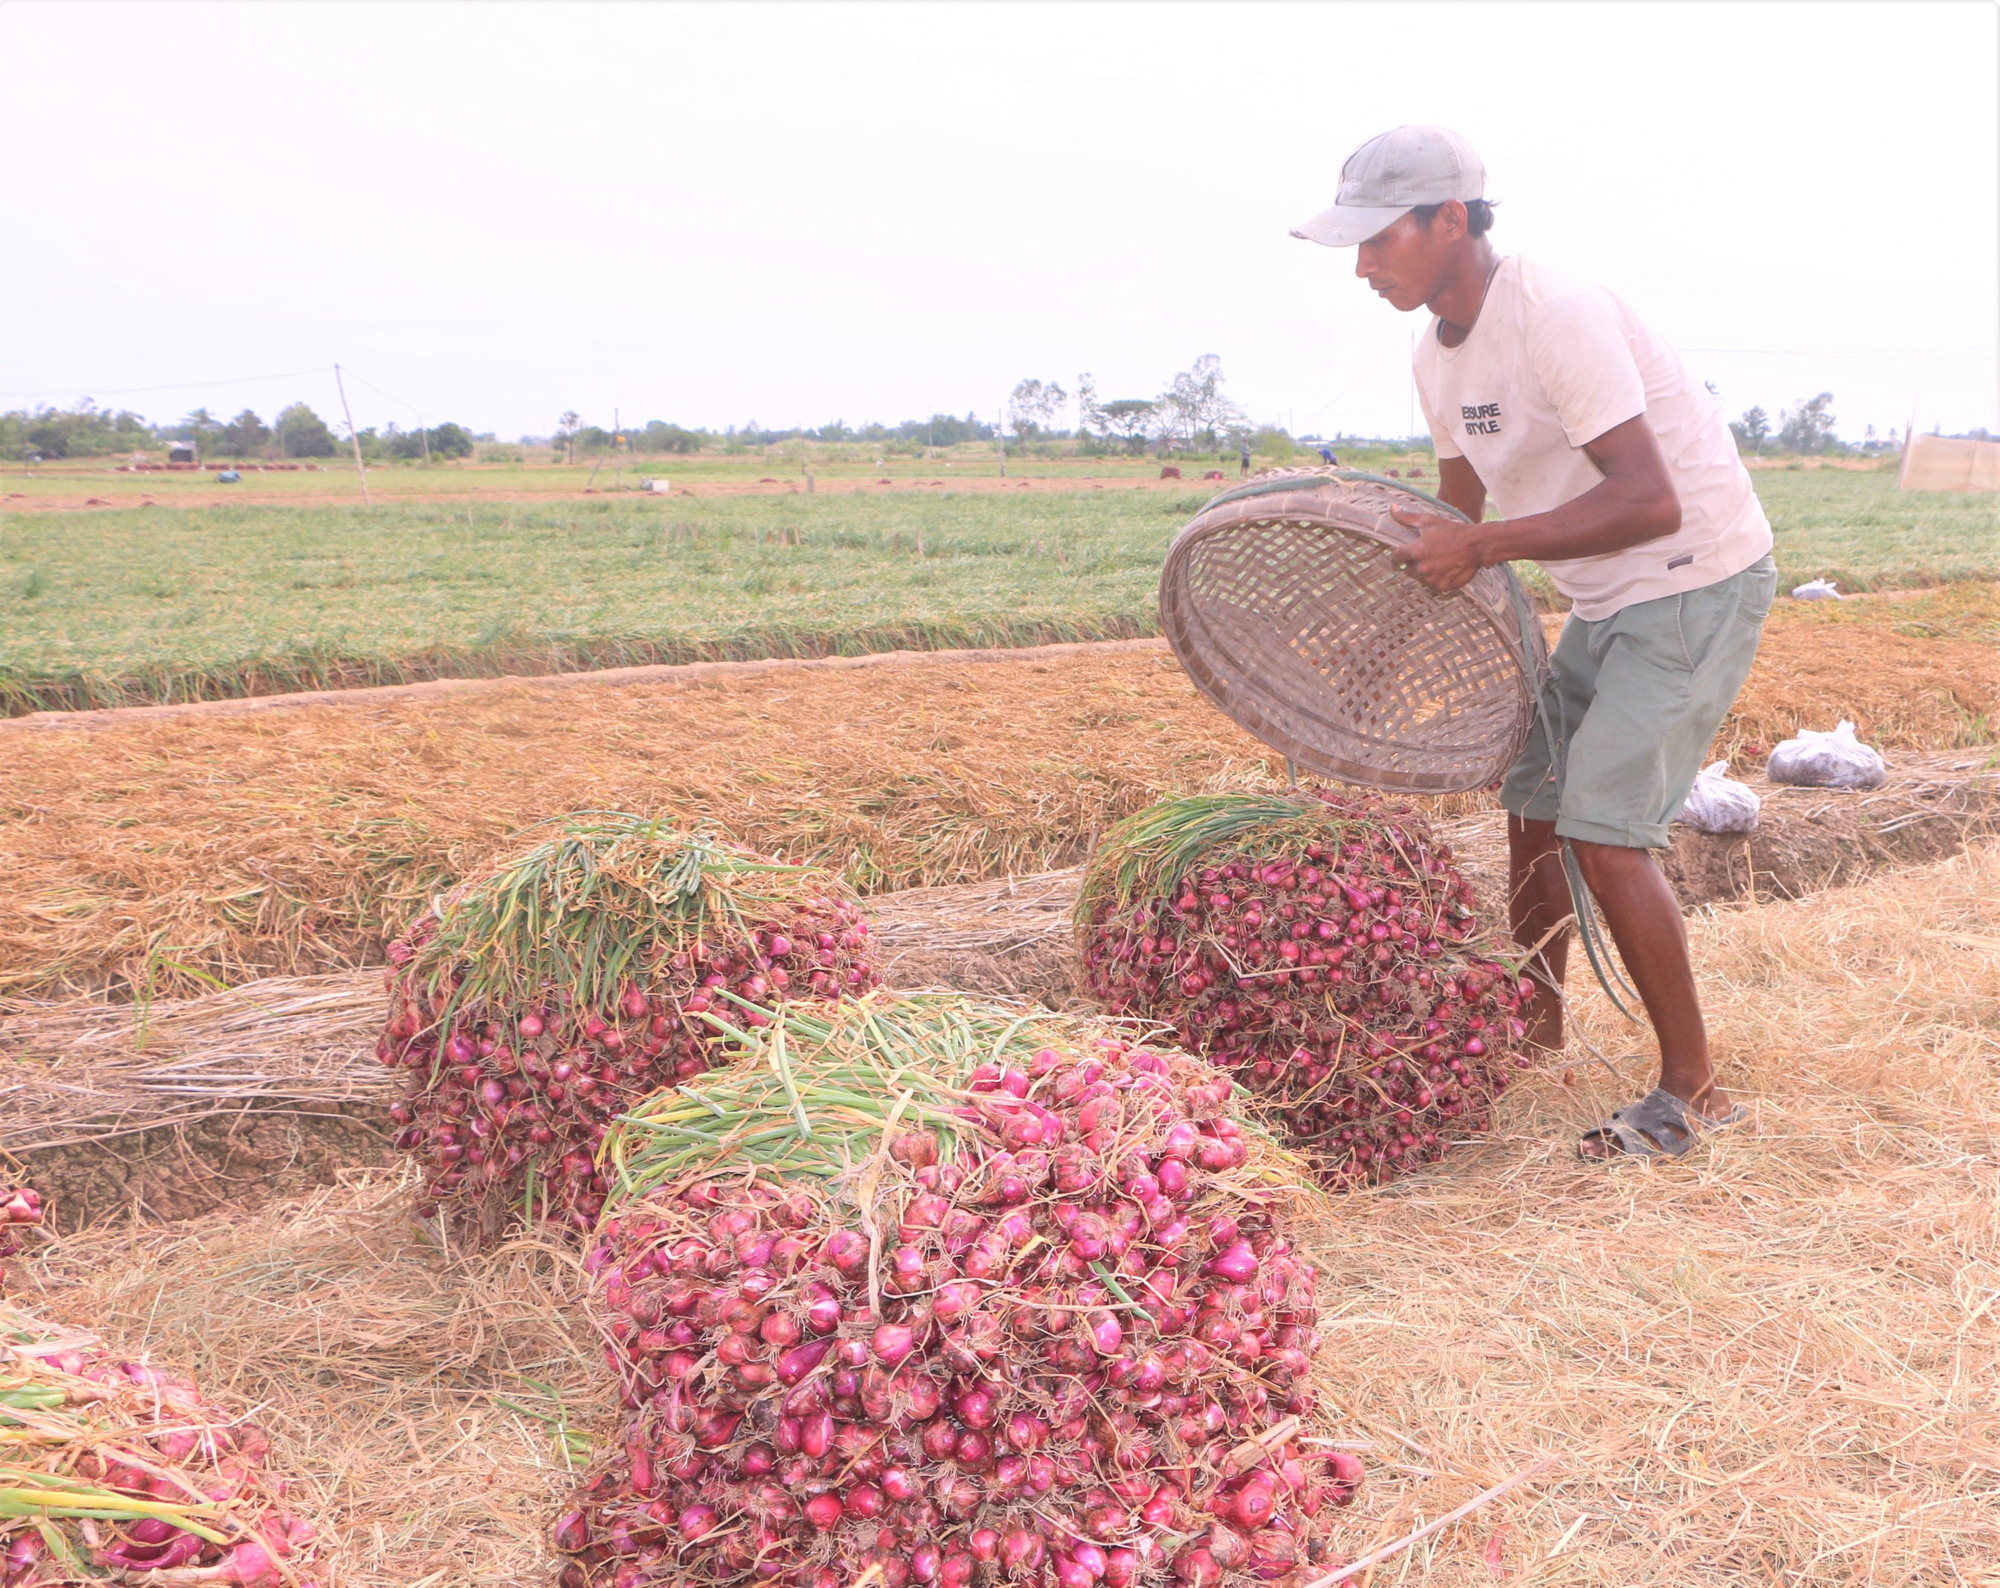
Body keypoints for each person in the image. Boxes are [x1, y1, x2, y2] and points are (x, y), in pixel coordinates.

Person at [1292, 125, 1776, 1162]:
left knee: (1602, 828)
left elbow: (1646, 501)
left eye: (1378, 241)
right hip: (1605, 597)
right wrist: (1375, 651)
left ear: (1450, 220)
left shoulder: (1554, 313)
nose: (1363, 267)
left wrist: (1481, 542)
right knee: (1532, 803)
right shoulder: (1433, 355)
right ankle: (1536, 1022)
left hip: (1693, 578)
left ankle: (1693, 1089)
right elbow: (1453, 518)